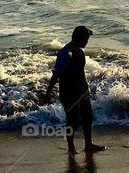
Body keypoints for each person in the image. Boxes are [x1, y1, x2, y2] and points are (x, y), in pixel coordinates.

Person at [42, 26, 106, 154]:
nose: (87, 42)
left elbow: (80, 72)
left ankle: (88, 144)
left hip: (82, 91)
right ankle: (71, 147)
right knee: (72, 119)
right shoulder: (66, 53)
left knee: (88, 117)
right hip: (69, 92)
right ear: (79, 38)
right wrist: (48, 93)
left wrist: (86, 90)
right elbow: (57, 74)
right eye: (86, 39)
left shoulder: (80, 52)